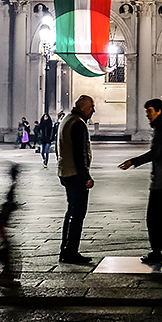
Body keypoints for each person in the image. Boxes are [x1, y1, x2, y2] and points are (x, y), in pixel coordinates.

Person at [118, 98, 162, 266]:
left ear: (159, 110)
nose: (147, 115)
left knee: (154, 219)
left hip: (160, 181)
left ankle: (156, 252)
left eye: (150, 112)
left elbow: (155, 153)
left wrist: (134, 161)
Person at [57, 96, 95, 264]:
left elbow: (60, 148)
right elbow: (79, 153)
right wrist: (86, 176)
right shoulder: (78, 123)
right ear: (81, 107)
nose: (93, 110)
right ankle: (71, 251)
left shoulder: (67, 119)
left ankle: (65, 249)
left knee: (71, 212)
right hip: (75, 175)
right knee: (77, 214)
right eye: (91, 107)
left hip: (65, 172)